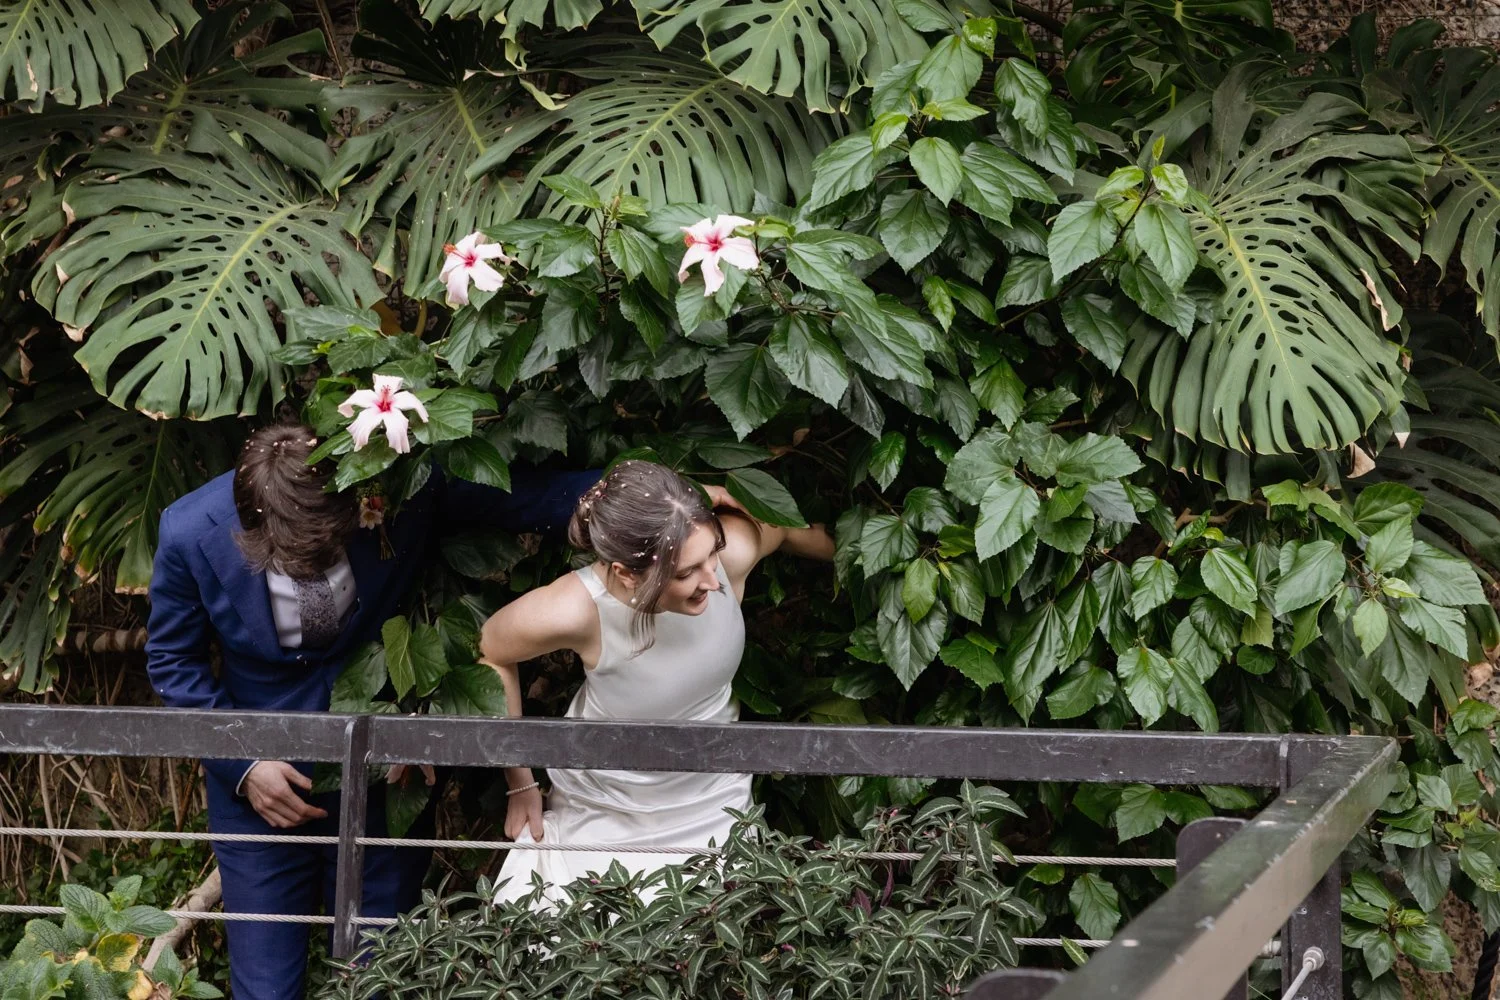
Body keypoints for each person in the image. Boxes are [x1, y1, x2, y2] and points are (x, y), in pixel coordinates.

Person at [144, 423, 597, 1000]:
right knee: (264, 986)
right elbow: (172, 664)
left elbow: (512, 497)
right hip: (260, 801)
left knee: (377, 978)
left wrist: (627, 499)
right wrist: (245, 765)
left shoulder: (401, 491)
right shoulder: (188, 530)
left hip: (387, 781)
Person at [478, 460, 834, 905]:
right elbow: (491, 652)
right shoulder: (575, 608)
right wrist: (520, 781)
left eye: (712, 554)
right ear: (627, 573)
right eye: (686, 573)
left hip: (715, 797)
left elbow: (796, 530)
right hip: (607, 810)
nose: (713, 580)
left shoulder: (728, 560)